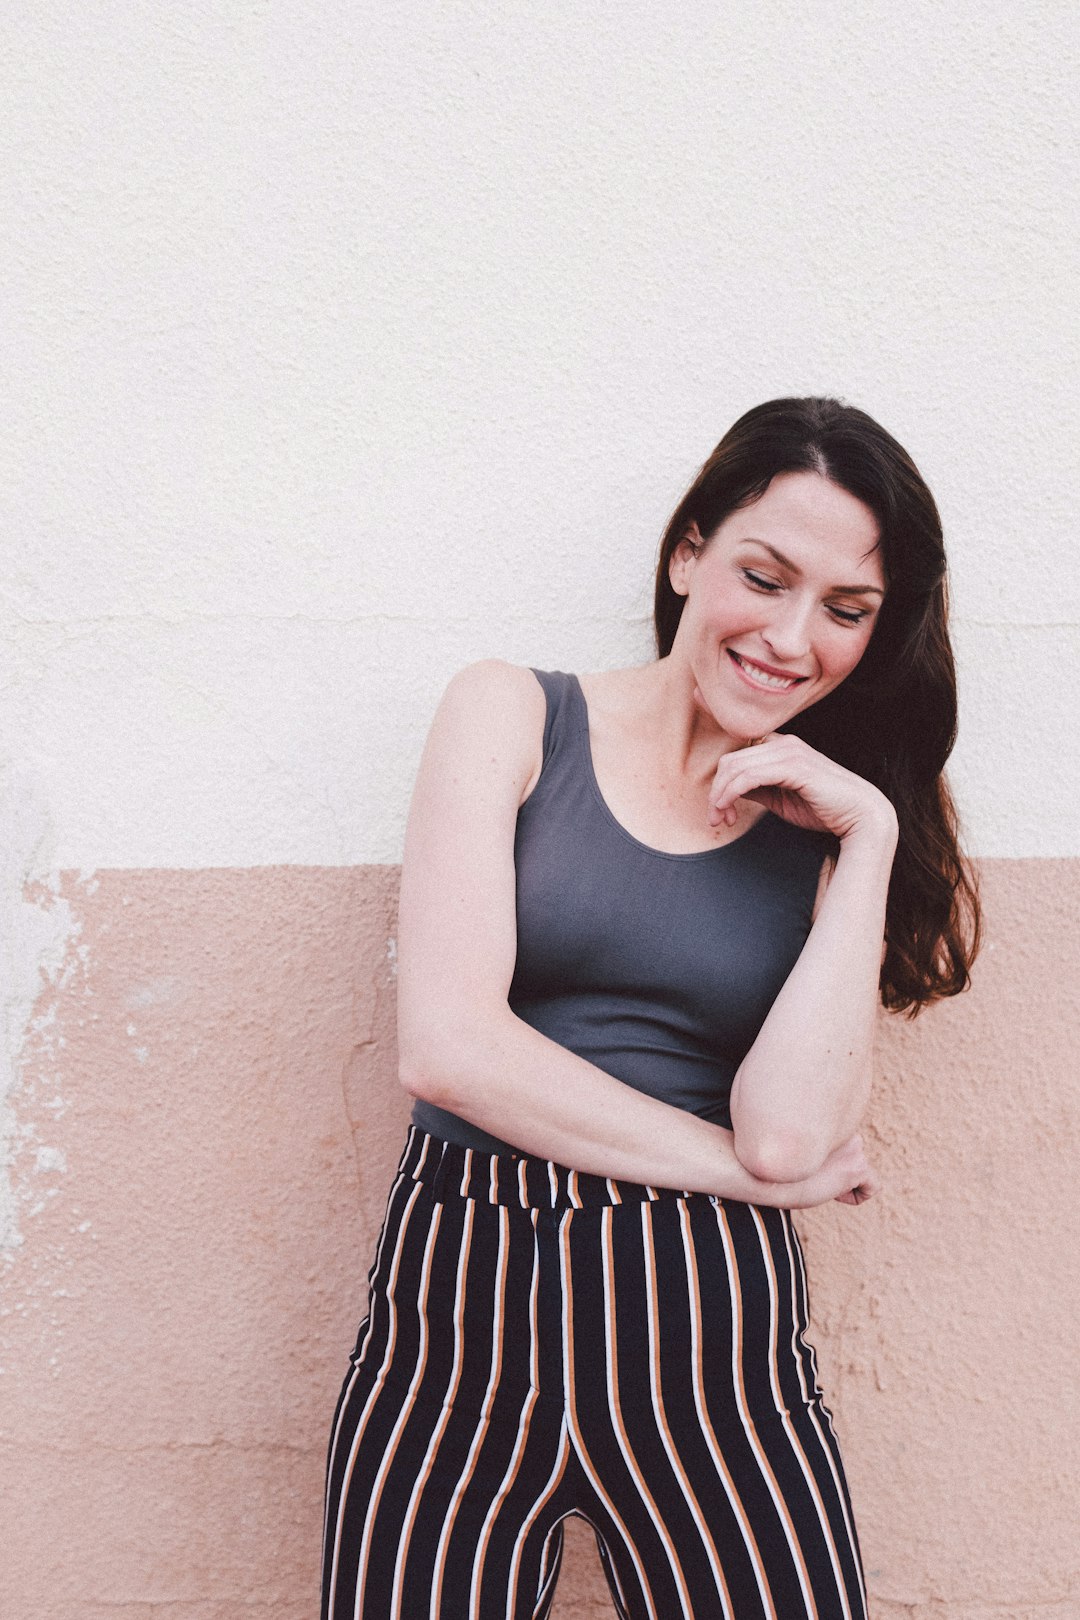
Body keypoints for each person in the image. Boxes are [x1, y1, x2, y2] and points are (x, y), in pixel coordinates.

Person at [319, 396, 980, 1620]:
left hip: (709, 1324)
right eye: (763, 576)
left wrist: (875, 834)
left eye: (845, 611)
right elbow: (449, 1047)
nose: (791, 638)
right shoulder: (512, 711)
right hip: (462, 1304)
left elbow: (789, 1139)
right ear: (689, 553)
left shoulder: (830, 824)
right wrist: (734, 1174)